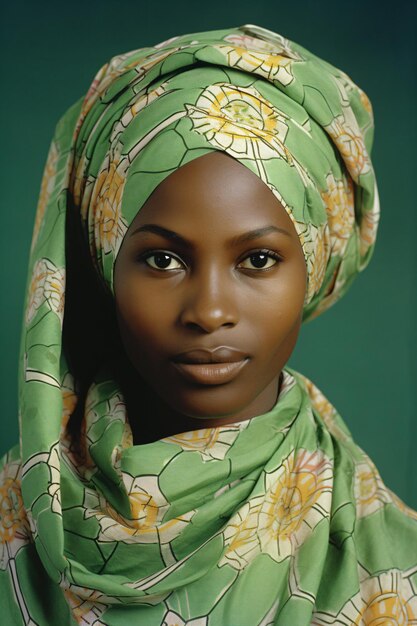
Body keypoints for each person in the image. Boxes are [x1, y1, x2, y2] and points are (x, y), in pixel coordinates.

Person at [1, 23, 416, 626]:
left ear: (316, 268)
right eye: (163, 260)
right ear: (104, 264)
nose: (210, 310)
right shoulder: (14, 520)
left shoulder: (393, 572)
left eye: (258, 260)